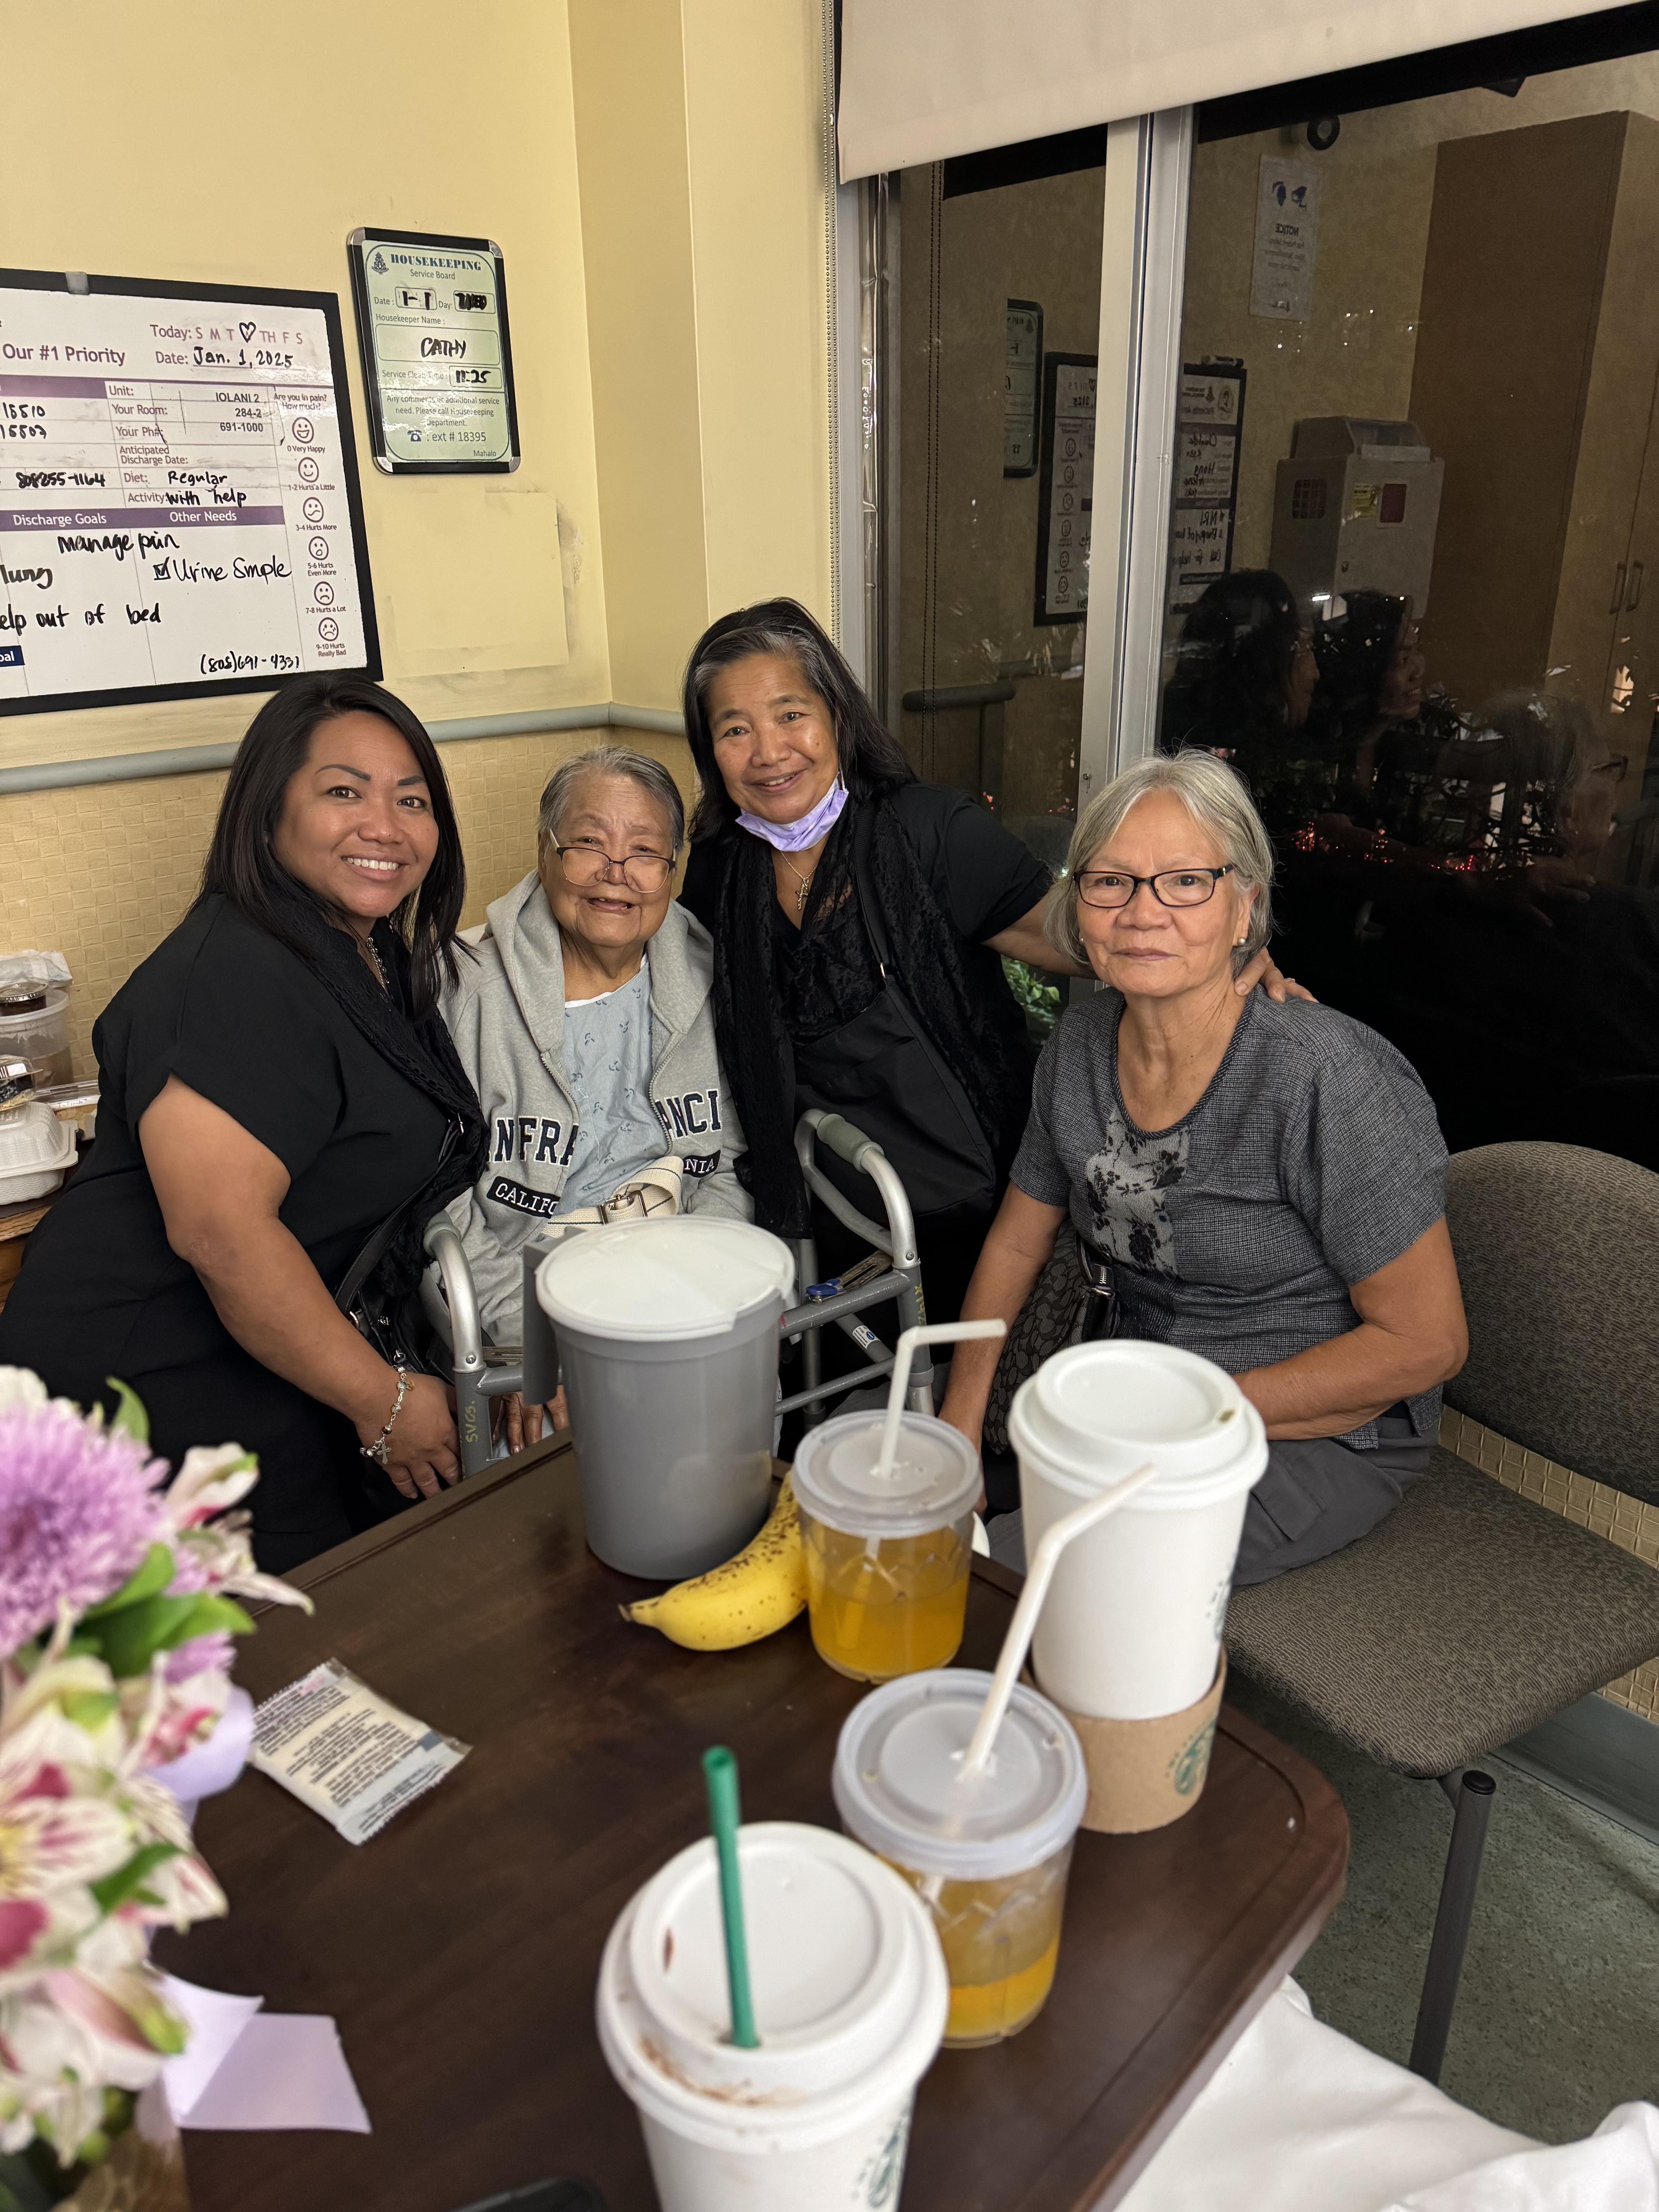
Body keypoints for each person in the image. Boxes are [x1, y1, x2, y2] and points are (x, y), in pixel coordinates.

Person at [678, 599, 1309, 1335]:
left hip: (969, 1213)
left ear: (837, 717)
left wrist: (1219, 952)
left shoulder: (929, 834)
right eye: (734, 729)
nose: (768, 751)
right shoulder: (721, 870)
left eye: (791, 714)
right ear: (710, 752)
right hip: (820, 1207)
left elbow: (1094, 936)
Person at [939, 749, 1467, 1585]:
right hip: (1126, 1385)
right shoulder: (1079, 1046)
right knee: (898, 1489)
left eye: (1186, 881)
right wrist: (959, 1430)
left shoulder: (1321, 1077)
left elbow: (1428, 1344)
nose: (1143, 913)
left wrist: (1192, 1415)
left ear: (1243, 907)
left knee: (1005, 1583)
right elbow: (1015, 1243)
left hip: (1312, 1429)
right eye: (1109, 881)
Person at [0, 675, 488, 1571]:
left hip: (268, 1363)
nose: (385, 824)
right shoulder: (236, 973)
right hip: (144, 1392)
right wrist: (385, 1404)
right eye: (344, 791)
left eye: (411, 799)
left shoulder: (361, 948)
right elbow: (222, 1235)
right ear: (268, 814)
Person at [441, 744, 749, 1447]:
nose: (616, 876)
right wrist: (521, 1340)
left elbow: (728, 1160)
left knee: (728, 1446)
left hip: (678, 1268)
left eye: (645, 852)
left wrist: (710, 1287)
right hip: (531, 1297)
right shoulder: (463, 988)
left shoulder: (706, 968)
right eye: (588, 843)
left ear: (672, 871)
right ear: (545, 852)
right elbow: (443, 1198)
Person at [1160, 570, 1319, 827]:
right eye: (1303, 647)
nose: (1314, 671)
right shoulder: (1243, 753)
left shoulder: (1175, 715)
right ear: (1267, 659)